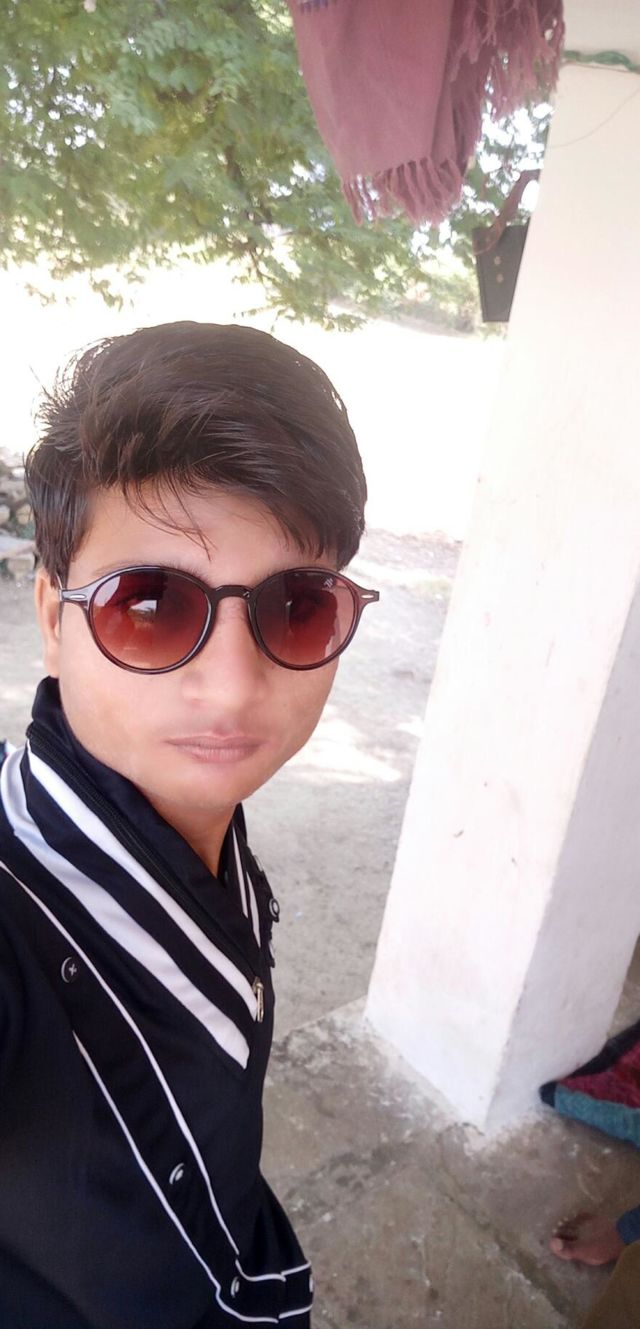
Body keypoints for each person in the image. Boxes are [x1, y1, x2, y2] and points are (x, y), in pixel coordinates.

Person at [0, 321, 379, 1329]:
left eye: (296, 606)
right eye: (152, 604)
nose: (233, 686)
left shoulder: (189, 818)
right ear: (52, 616)